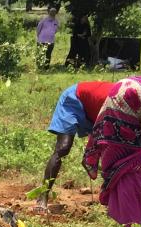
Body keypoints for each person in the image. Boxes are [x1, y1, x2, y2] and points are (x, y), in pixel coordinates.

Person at [81, 76, 141, 227]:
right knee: (131, 175)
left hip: (119, 117)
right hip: (126, 120)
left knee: (128, 175)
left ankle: (138, 225)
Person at [37, 80, 117, 209]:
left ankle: (114, 201)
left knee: (117, 153)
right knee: (63, 148)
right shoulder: (126, 99)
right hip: (74, 98)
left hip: (98, 111)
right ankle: (43, 196)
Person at [35, 5, 59, 69]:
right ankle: (39, 67)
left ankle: (46, 67)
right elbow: (38, 29)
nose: (53, 13)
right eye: (52, 12)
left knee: (48, 54)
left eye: (54, 12)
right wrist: (38, 37)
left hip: (51, 41)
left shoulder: (56, 21)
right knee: (40, 54)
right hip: (42, 40)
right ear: (49, 12)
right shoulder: (43, 20)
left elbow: (56, 30)